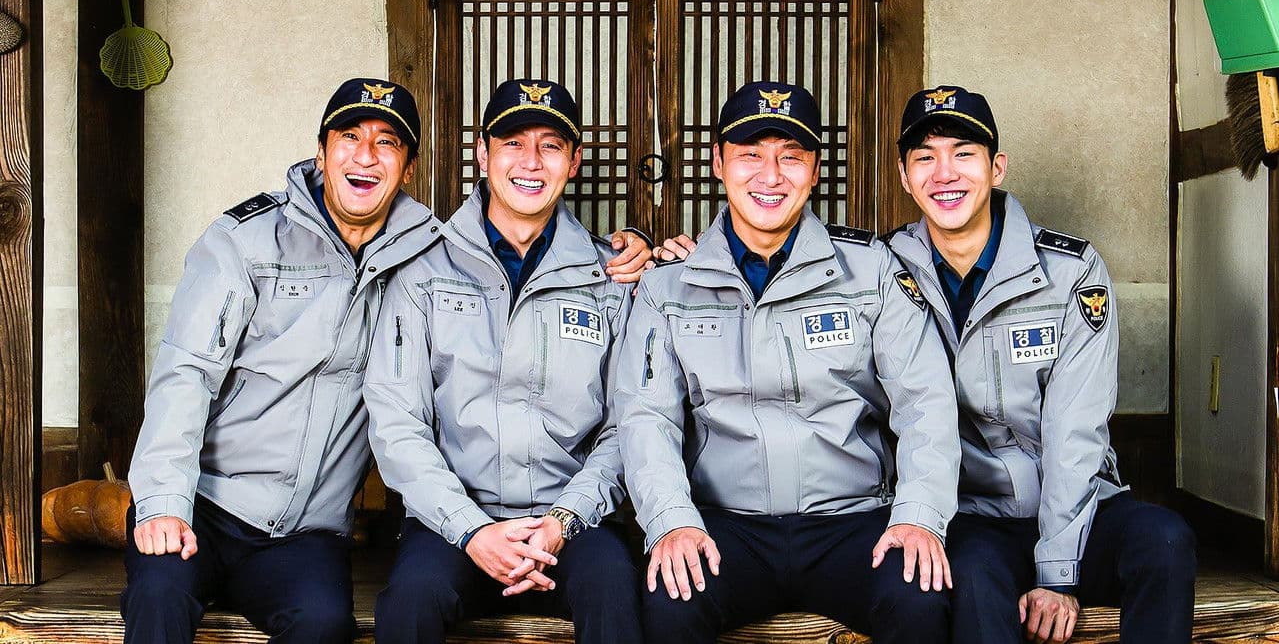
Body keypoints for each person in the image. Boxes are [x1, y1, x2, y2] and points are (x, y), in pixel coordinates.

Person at [122, 77, 651, 644]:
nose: (366, 156)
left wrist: (653, 247)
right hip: (213, 503)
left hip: (321, 528)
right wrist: (164, 502)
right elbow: (186, 375)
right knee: (163, 597)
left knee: (326, 624)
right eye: (350, 136)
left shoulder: (586, 273)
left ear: (409, 167)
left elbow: (628, 422)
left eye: (387, 143)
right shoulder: (272, 245)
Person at [616, 80, 959, 644]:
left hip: (853, 522)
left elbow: (926, 403)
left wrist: (919, 515)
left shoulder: (871, 270)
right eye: (750, 155)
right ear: (718, 164)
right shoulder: (668, 285)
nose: (771, 176)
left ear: (815, 169)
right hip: (726, 527)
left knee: (919, 596)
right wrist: (670, 520)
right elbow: (647, 418)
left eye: (791, 157)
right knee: (672, 603)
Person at [886, 85, 1195, 644]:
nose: (945, 173)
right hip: (972, 515)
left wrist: (1058, 571)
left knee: (1165, 540)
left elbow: (1076, 429)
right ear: (905, 177)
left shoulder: (1070, 272)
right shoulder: (884, 271)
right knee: (972, 582)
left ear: (997, 167)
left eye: (963, 153)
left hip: (1080, 506)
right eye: (925, 157)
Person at [363, 79, 643, 644]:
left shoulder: (609, 278)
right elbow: (397, 422)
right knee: (409, 604)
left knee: (618, 593)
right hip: (451, 521)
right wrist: (471, 530)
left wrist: (563, 521)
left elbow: (628, 426)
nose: (531, 162)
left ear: (574, 162)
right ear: (482, 153)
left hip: (574, 522)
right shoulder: (422, 271)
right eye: (513, 142)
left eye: (550, 146)